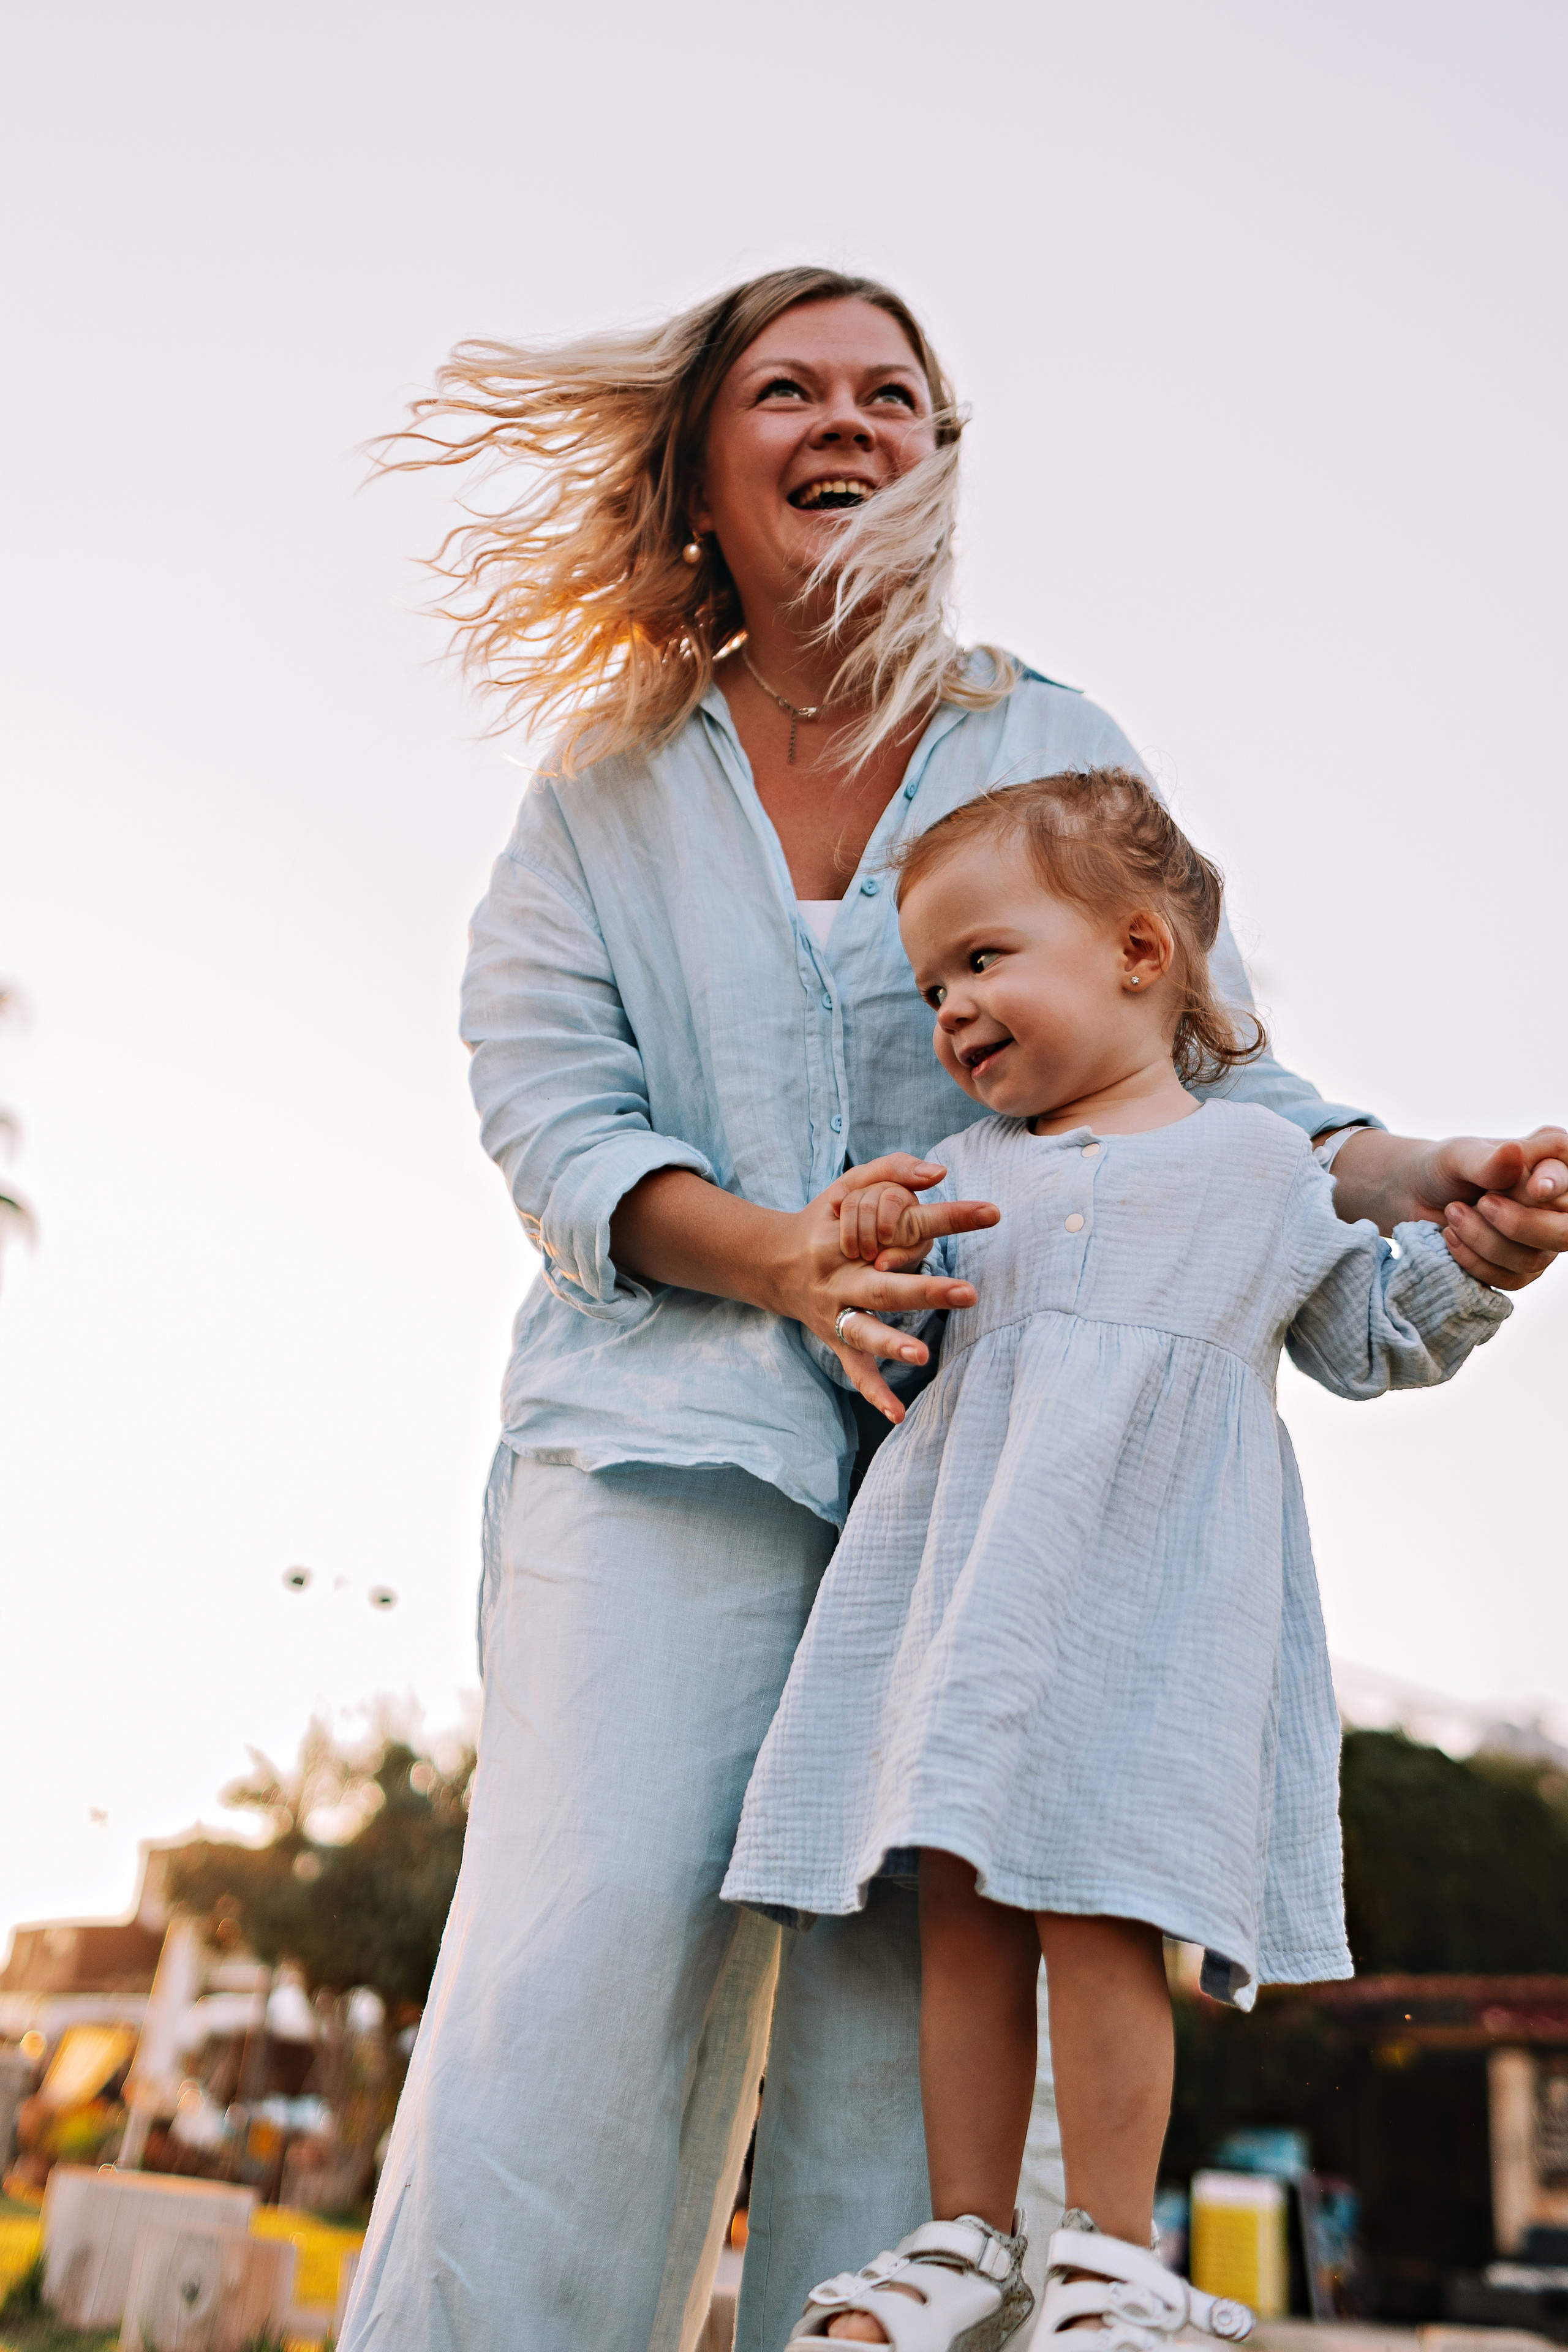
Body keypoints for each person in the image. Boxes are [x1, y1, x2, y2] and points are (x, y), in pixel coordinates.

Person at [339, 268, 1568, 2352]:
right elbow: (550, 1116)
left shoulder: (1052, 744)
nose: (850, 419)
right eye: (790, 388)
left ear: (942, 455)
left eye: (893, 393)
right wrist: (781, 1258)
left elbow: (1216, 1078)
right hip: (665, 1447)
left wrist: (1422, 1172)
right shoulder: (600, 792)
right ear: (701, 469)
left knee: (933, 2009)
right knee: (578, 1960)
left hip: (1003, 1479)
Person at [723, 769, 1522, 2349]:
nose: (952, 1008)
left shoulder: (1262, 1168)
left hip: (1148, 1622)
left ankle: (1108, 2254)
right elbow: (888, 1360)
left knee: (1103, 1903)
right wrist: (863, 1259)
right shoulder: (960, 1175)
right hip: (976, 1609)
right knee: (960, 1896)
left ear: (1142, 952)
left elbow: (1372, 1339)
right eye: (931, 985)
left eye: (983, 959)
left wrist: (1491, 1258)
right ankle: (964, 2237)